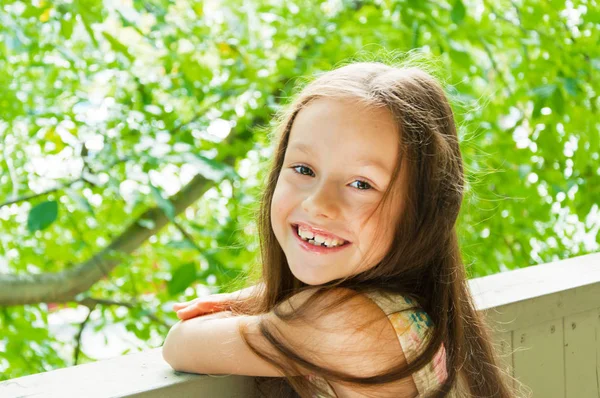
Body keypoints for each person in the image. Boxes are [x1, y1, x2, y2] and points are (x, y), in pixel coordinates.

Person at [163, 60, 519, 397]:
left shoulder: (355, 327)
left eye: (362, 184)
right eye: (304, 170)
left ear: (422, 210)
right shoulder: (401, 311)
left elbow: (181, 344)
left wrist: (257, 298)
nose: (319, 204)